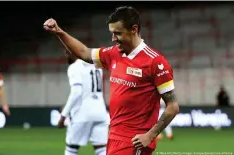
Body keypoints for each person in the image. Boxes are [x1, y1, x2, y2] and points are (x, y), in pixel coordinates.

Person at [43, 6, 179, 155]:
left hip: (134, 141)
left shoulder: (155, 62)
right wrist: (59, 32)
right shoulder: (114, 54)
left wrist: (150, 135)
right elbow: (84, 52)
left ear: (134, 29)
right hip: (114, 136)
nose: (113, 38)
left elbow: (172, 106)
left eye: (117, 33)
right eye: (112, 33)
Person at [58, 50, 109, 155]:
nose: (66, 56)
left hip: (82, 113)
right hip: (100, 113)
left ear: (75, 52)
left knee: (71, 148)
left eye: (67, 53)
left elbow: (77, 92)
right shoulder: (97, 66)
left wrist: (63, 115)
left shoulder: (74, 67)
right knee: (101, 149)